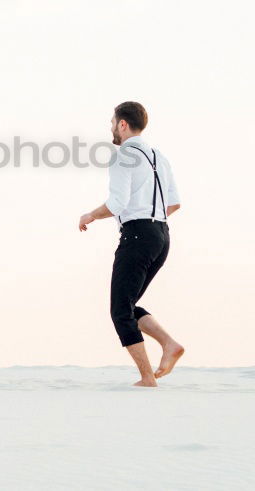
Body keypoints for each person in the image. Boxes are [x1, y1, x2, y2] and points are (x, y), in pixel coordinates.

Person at [78, 102, 184, 387]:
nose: (111, 127)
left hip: (138, 235)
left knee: (119, 311)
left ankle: (147, 378)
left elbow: (117, 202)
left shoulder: (123, 155)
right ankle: (169, 345)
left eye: (113, 122)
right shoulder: (158, 156)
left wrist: (91, 215)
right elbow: (173, 203)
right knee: (127, 304)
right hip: (161, 236)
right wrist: (151, 220)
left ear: (122, 124)